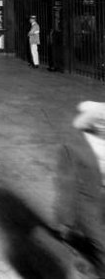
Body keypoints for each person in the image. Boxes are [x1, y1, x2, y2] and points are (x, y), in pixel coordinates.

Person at [52, 101, 105, 277]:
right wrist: (65, 220)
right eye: (100, 121)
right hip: (87, 206)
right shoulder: (73, 148)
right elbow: (66, 186)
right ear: (90, 123)